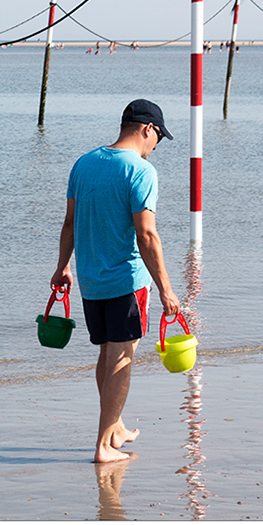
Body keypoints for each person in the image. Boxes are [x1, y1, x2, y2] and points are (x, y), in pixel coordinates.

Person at [51, 99, 180, 464]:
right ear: (147, 130)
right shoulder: (141, 171)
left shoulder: (84, 163)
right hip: (127, 282)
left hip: (91, 281)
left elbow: (69, 223)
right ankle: (104, 446)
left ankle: (116, 427)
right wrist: (167, 288)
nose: (155, 148)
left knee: (108, 353)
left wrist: (63, 267)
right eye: (158, 139)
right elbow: (147, 235)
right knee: (122, 359)